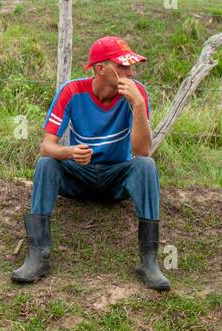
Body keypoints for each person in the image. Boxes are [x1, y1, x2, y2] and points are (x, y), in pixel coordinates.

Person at [12, 36, 169, 290]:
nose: (130, 73)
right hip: (80, 178)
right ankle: (38, 257)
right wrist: (70, 152)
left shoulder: (136, 93)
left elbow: (142, 151)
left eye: (131, 67)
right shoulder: (72, 91)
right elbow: (46, 147)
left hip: (116, 180)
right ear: (100, 69)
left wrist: (138, 106)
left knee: (146, 166)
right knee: (46, 164)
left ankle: (148, 262)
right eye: (122, 68)